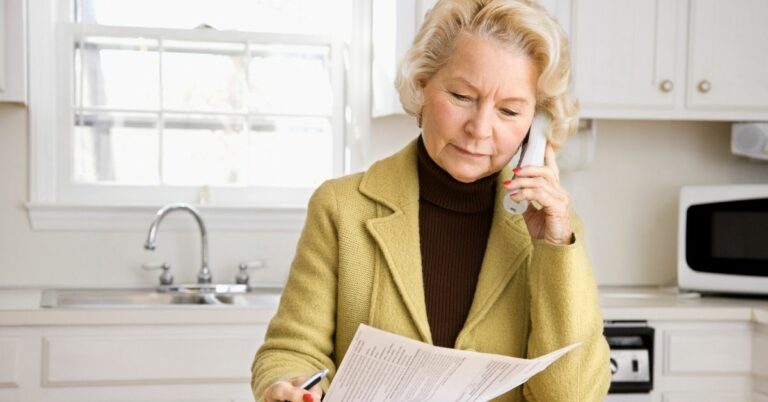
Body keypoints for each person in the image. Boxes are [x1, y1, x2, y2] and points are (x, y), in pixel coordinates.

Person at [251, 0, 611, 401]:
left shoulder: (555, 229)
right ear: (422, 83)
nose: (479, 129)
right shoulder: (340, 208)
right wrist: (289, 387)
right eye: (461, 96)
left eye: (509, 111)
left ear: (536, 125)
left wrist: (554, 249)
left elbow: (572, 396)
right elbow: (291, 349)